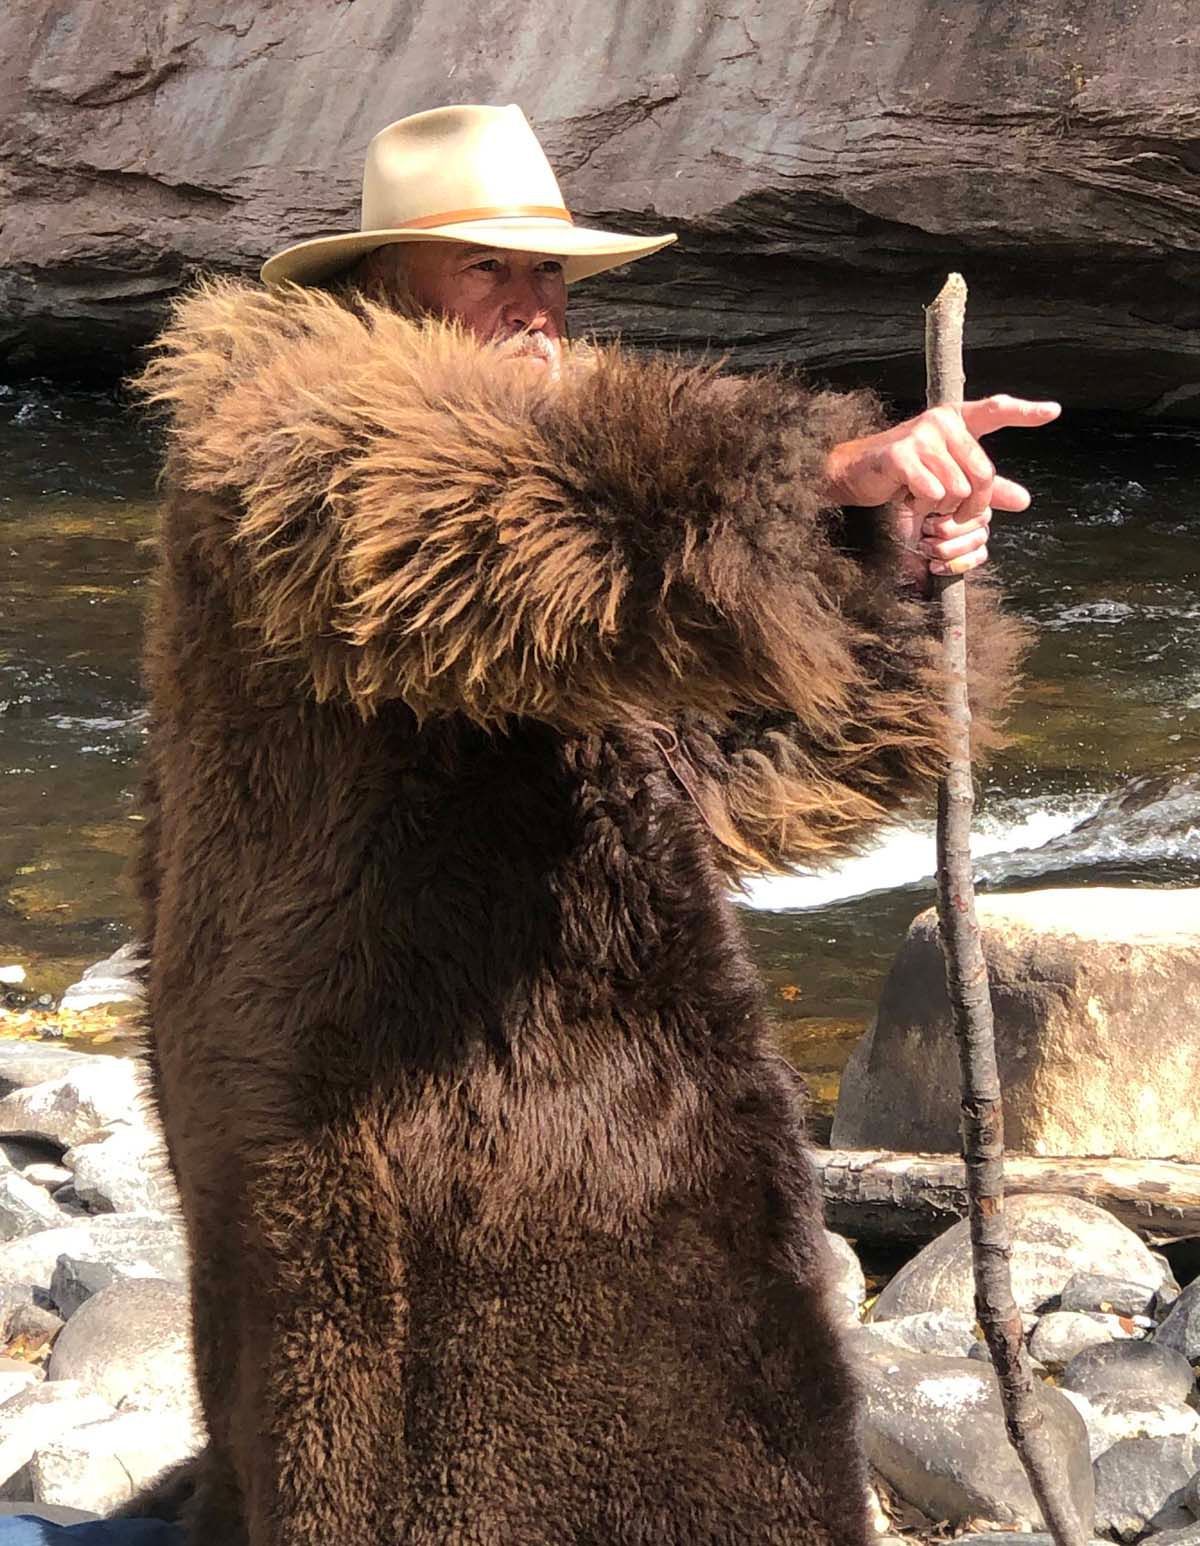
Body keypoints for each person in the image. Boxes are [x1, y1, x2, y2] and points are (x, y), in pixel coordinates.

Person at [26, 103, 1055, 1545]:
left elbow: (746, 776)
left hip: (581, 1098)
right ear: (381, 286)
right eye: (486, 269)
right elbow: (478, 540)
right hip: (388, 1104)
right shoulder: (290, 440)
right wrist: (808, 479)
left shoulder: (554, 486)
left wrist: (882, 567)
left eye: (552, 274)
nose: (534, 305)